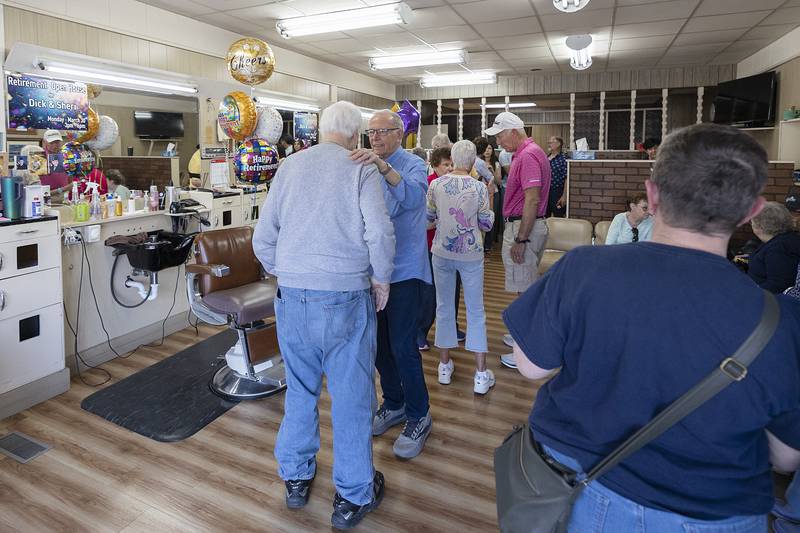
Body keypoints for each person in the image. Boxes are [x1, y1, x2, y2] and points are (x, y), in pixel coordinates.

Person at [503, 123, 800, 532]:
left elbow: (531, 366)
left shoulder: (584, 270)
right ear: (751, 212)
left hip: (575, 486)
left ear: (654, 194)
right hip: (714, 512)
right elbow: (786, 456)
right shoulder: (780, 319)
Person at [253, 101, 395, 529]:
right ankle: (352, 496)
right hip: (346, 297)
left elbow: (264, 236)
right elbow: (380, 230)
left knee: (300, 389)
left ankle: (295, 478)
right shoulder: (360, 167)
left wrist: (289, 271)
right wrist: (382, 279)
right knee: (352, 398)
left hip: (292, 298)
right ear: (355, 135)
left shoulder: (289, 167)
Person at [350, 109, 433, 460]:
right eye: (371, 133)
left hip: (405, 271)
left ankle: (419, 414)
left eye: (383, 131)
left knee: (402, 346)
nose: (376, 138)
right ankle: (395, 401)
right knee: (379, 346)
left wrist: (383, 167)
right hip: (373, 271)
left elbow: (414, 198)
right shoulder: (363, 165)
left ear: (400, 133)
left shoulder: (412, 164)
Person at [426, 140, 495, 394]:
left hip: (441, 252)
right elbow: (486, 224)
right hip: (471, 255)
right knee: (476, 310)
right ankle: (480, 375)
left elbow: (428, 220)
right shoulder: (478, 187)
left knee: (444, 307)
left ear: (453, 160)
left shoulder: (435, 184)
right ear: (473, 160)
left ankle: (444, 367)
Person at [484, 112, 551, 369]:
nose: (499, 141)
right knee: (524, 287)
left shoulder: (529, 155)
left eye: (500, 135)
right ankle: (521, 335)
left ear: (514, 131)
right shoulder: (528, 153)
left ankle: (526, 350)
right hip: (525, 227)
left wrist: (521, 240)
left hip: (525, 230)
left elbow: (532, 200)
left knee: (525, 292)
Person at [418, 147, 461, 351]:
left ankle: (451, 327)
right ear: (435, 165)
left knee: (453, 289)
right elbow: (424, 219)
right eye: (446, 164)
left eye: (451, 164)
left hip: (453, 245)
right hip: (432, 245)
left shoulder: (454, 185)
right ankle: (420, 332)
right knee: (431, 293)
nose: (450, 168)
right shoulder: (430, 185)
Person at [748, 201, 800, 293]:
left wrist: (748, 293)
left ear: (760, 227)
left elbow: (778, 285)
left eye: (751, 222)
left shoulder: (779, 249)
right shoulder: (784, 239)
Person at [472, 137, 500, 252]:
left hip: (474, 194)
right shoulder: (480, 162)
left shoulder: (470, 160)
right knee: (487, 218)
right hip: (486, 194)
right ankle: (486, 246)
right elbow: (490, 178)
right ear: (483, 149)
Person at [39, 129, 71, 198]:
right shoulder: (40, 157)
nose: (55, 146)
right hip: (47, 197)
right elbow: (36, 187)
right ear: (45, 142)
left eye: (57, 142)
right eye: (51, 143)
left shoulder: (65, 155)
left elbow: (70, 175)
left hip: (64, 195)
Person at [546, 136, 567, 217]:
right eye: (548, 143)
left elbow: (566, 178)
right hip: (546, 191)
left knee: (558, 214)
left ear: (558, 144)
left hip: (557, 191)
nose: (549, 144)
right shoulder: (546, 157)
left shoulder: (563, 159)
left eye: (551, 142)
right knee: (545, 215)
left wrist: (564, 196)